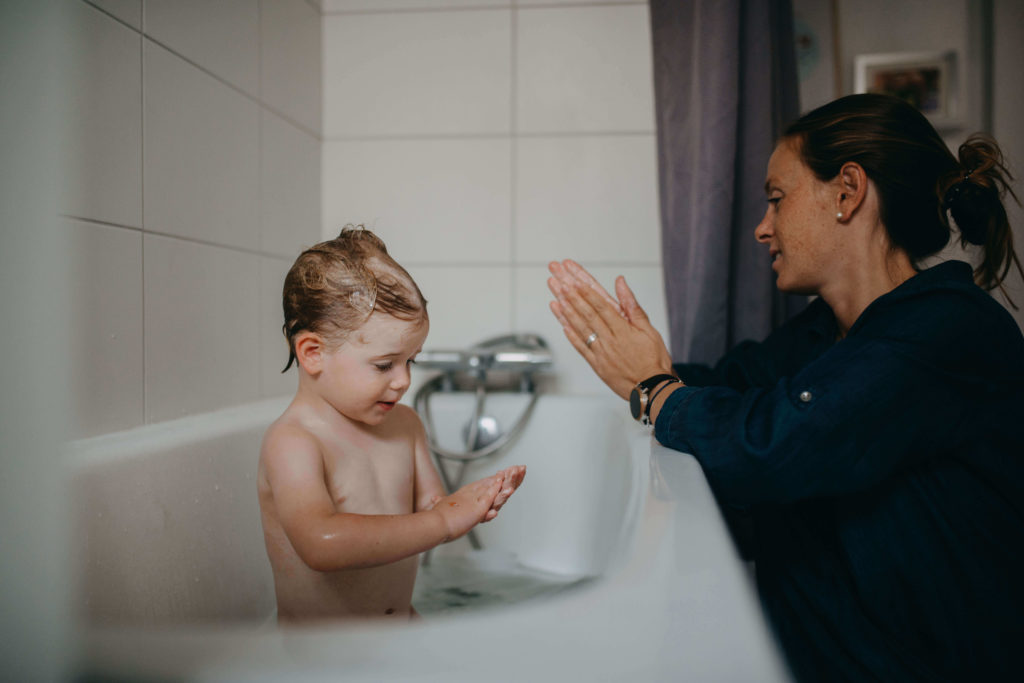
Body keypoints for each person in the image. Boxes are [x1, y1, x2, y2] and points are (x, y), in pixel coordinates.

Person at [547, 94, 1024, 681]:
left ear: (847, 192)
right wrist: (640, 364)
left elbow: (774, 446)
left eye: (777, 199)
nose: (761, 227)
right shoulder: (830, 330)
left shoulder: (947, 329)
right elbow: (726, 387)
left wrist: (653, 388)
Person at [258, 227, 526, 623]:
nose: (404, 380)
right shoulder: (295, 442)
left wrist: (469, 504)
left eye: (410, 361)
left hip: (400, 630)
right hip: (322, 661)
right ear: (313, 354)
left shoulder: (405, 426)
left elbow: (432, 509)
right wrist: (443, 521)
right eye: (385, 365)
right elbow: (320, 544)